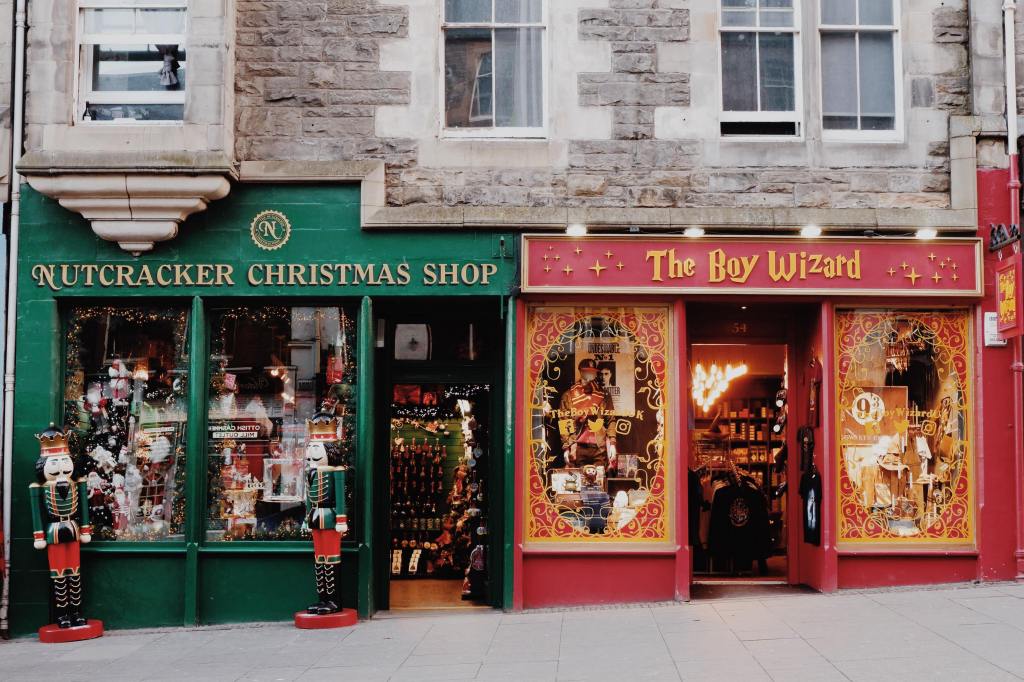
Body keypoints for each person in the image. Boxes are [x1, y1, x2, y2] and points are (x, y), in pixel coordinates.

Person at [558, 358, 617, 471]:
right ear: (581, 371)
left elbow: (611, 420)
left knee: (599, 482)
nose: (590, 373)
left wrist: (613, 444)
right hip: (578, 447)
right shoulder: (569, 395)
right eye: (587, 371)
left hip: (599, 447)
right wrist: (567, 447)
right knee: (579, 482)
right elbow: (564, 422)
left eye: (593, 371)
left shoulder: (604, 395)